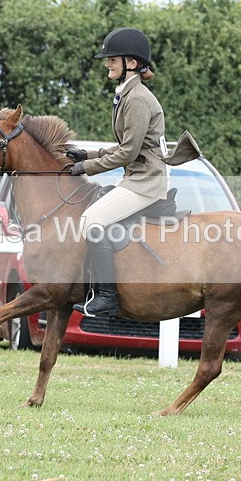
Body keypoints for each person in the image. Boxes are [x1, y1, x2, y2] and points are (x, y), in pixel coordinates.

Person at [67, 27, 168, 317]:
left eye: (112, 59)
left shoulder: (136, 98)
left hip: (145, 182)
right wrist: (87, 153)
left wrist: (85, 168)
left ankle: (107, 296)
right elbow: (125, 146)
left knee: (92, 220)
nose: (107, 64)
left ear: (131, 63)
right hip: (137, 177)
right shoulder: (128, 93)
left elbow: (127, 153)